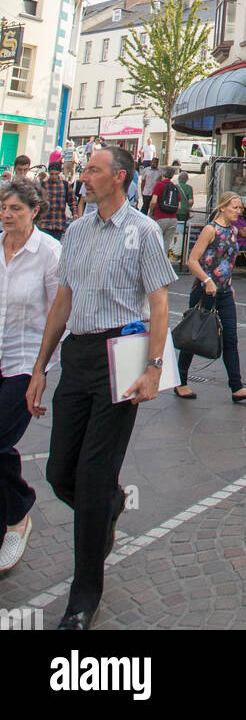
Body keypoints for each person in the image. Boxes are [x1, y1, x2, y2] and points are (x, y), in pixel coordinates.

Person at [26, 146, 177, 631]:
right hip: (78, 355)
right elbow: (61, 302)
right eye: (84, 169)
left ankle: (82, 597)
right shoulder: (76, 230)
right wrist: (40, 367)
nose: (83, 177)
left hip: (122, 356)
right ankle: (109, 506)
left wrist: (154, 368)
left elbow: (159, 305)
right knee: (58, 472)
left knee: (92, 478)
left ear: (120, 178)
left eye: (92, 170)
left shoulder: (144, 231)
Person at [0, 177, 60, 573]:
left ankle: (19, 514)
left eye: (15, 208)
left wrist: (40, 370)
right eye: (3, 208)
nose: (6, 215)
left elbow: (59, 314)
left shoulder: (49, 252)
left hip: (24, 363)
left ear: (34, 211)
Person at [174, 192, 246, 405]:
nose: (238, 212)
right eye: (235, 208)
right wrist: (207, 280)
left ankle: (237, 386)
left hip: (224, 292)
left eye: (240, 209)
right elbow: (192, 260)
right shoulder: (210, 230)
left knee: (230, 337)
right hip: (204, 292)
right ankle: (181, 380)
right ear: (222, 207)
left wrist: (228, 283)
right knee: (193, 336)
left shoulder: (232, 231)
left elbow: (226, 262)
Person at [40, 161, 75, 244]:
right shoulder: (43, 186)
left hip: (59, 224)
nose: (54, 176)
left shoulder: (65, 185)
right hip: (44, 224)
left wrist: (75, 213)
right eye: (52, 174)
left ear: (59, 173)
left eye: (56, 174)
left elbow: (72, 201)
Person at [149, 165, 180, 258]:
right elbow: (179, 207)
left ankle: (153, 266)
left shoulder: (159, 185)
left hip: (160, 217)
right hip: (173, 219)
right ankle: (163, 266)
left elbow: (154, 201)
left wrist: (151, 212)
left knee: (155, 244)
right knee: (166, 246)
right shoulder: (175, 187)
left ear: (162, 174)